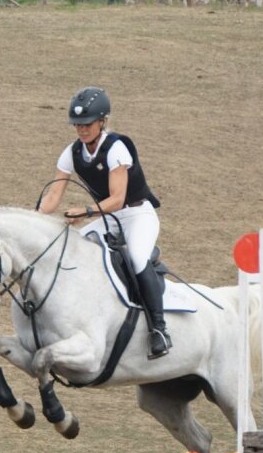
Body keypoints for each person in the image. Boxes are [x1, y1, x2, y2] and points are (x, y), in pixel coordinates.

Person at [37, 87, 169, 360]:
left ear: (102, 121)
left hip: (137, 215)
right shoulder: (72, 152)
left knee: (136, 258)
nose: (81, 130)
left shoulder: (116, 148)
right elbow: (53, 195)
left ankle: (159, 329)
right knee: (72, 248)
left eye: (87, 124)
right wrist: (34, 219)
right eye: (77, 125)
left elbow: (118, 199)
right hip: (107, 218)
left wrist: (86, 211)